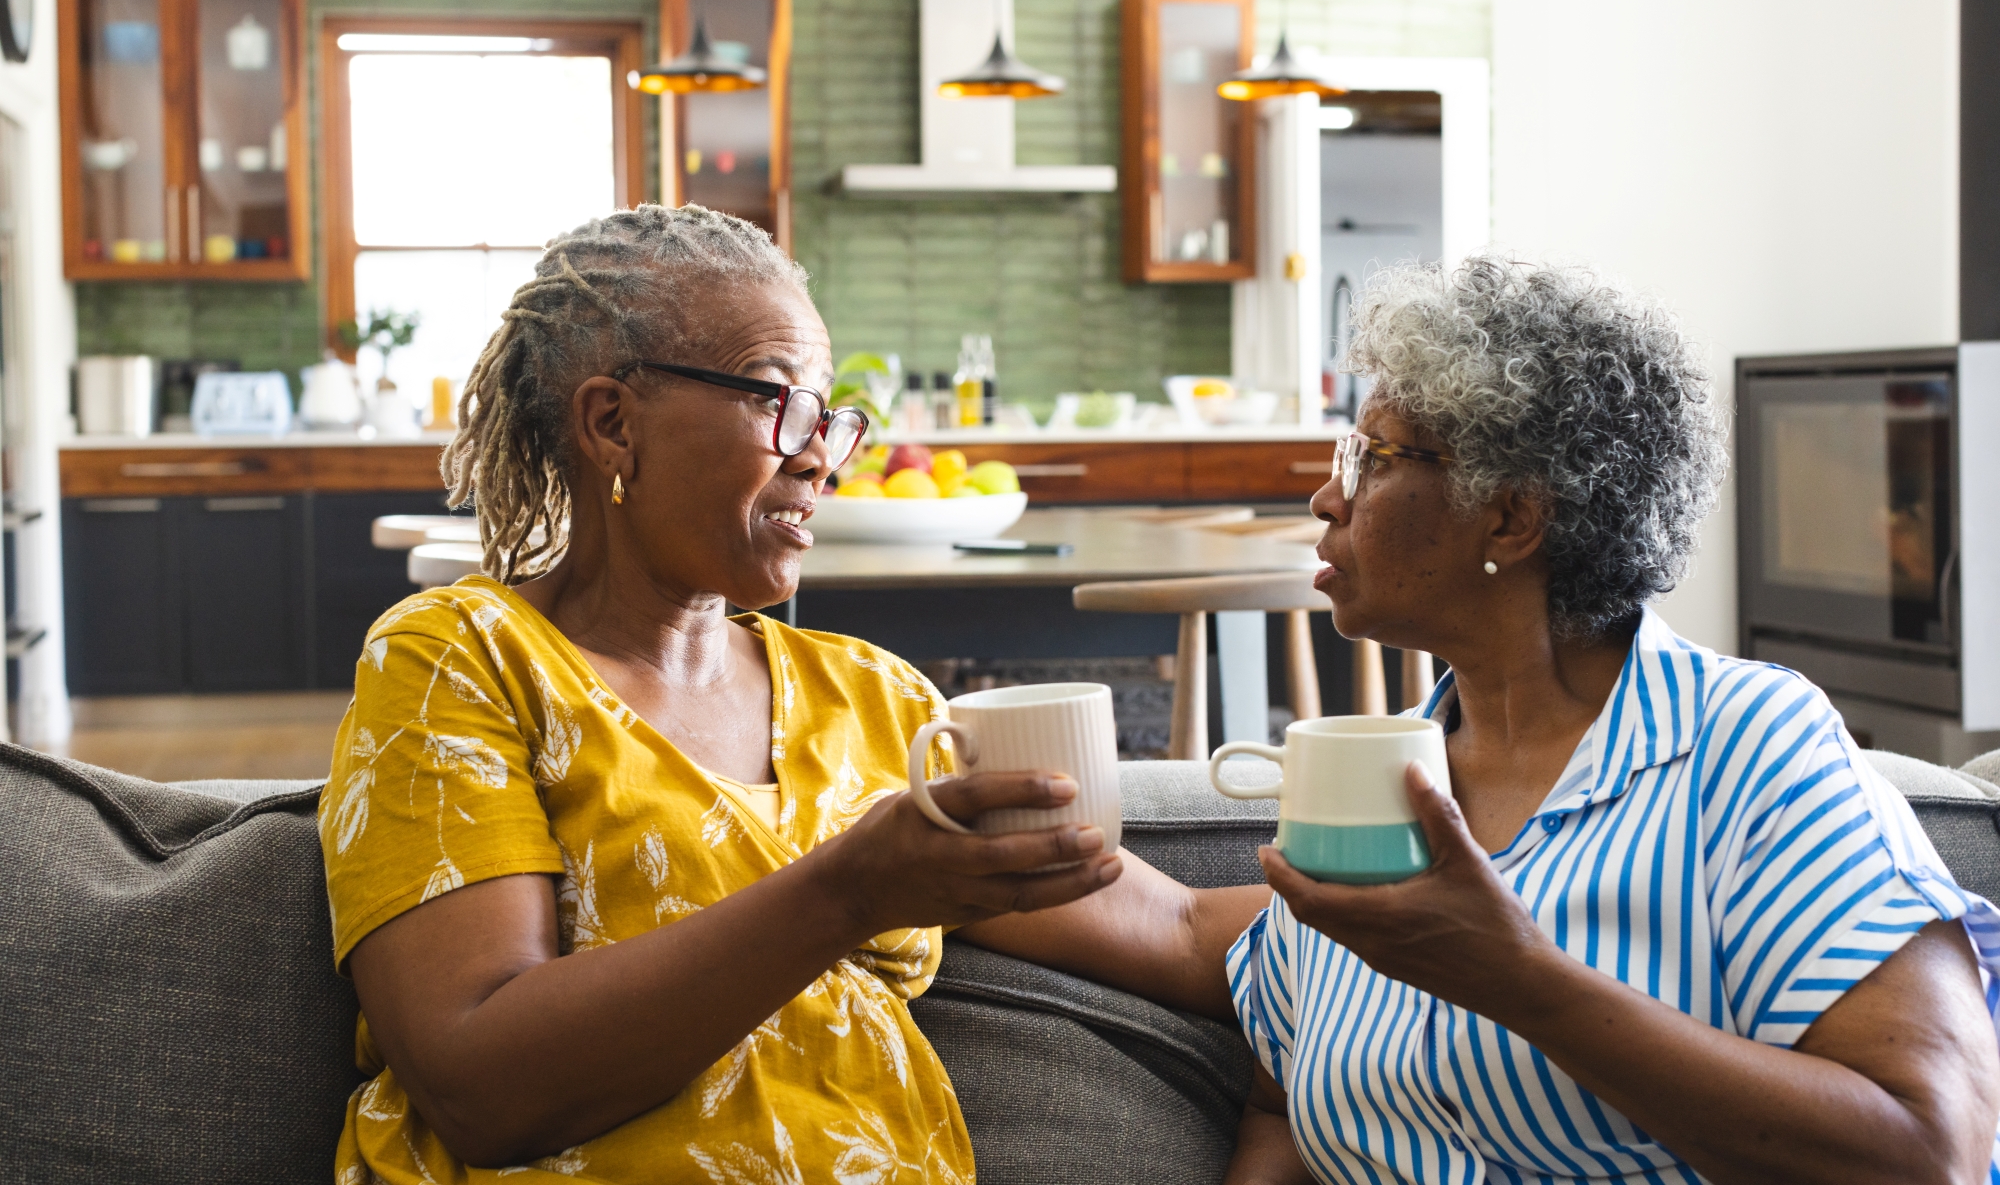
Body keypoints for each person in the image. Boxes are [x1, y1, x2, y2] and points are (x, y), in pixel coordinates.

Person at [318, 203, 1266, 1184]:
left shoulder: (873, 698)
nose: (821, 454)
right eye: (778, 401)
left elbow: (1181, 930)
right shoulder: (460, 659)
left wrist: (1413, 902)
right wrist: (850, 889)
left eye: (829, 415)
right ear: (610, 422)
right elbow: (479, 1084)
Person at [1222, 256, 2000, 1185]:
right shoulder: (1370, 773)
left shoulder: (1746, 743)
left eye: (1375, 458)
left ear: (1511, 518)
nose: (1329, 497)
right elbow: (1279, 1096)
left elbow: (1930, 1153)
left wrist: (1520, 980)